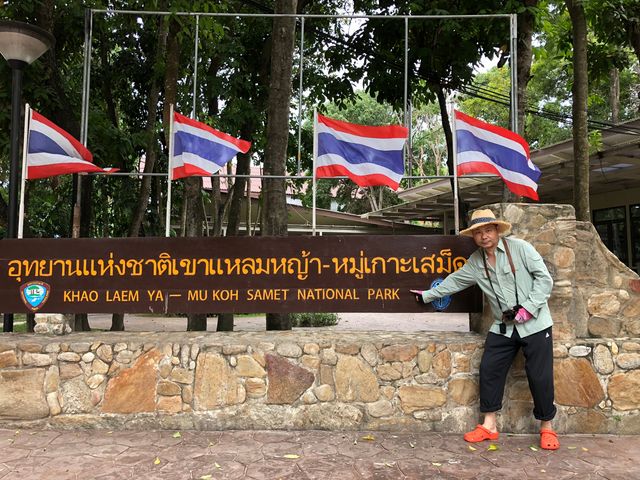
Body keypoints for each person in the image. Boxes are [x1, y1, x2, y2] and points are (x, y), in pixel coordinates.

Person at [410, 209, 559, 450]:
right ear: (474, 237)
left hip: (535, 323)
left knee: (540, 376)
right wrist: (428, 295)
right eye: (478, 232)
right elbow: (454, 281)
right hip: (504, 327)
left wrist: (528, 309)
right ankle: (489, 425)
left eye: (488, 230)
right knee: (489, 369)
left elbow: (545, 280)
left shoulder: (521, 249)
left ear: (497, 231)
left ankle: (547, 428)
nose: (484, 236)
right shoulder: (476, 262)